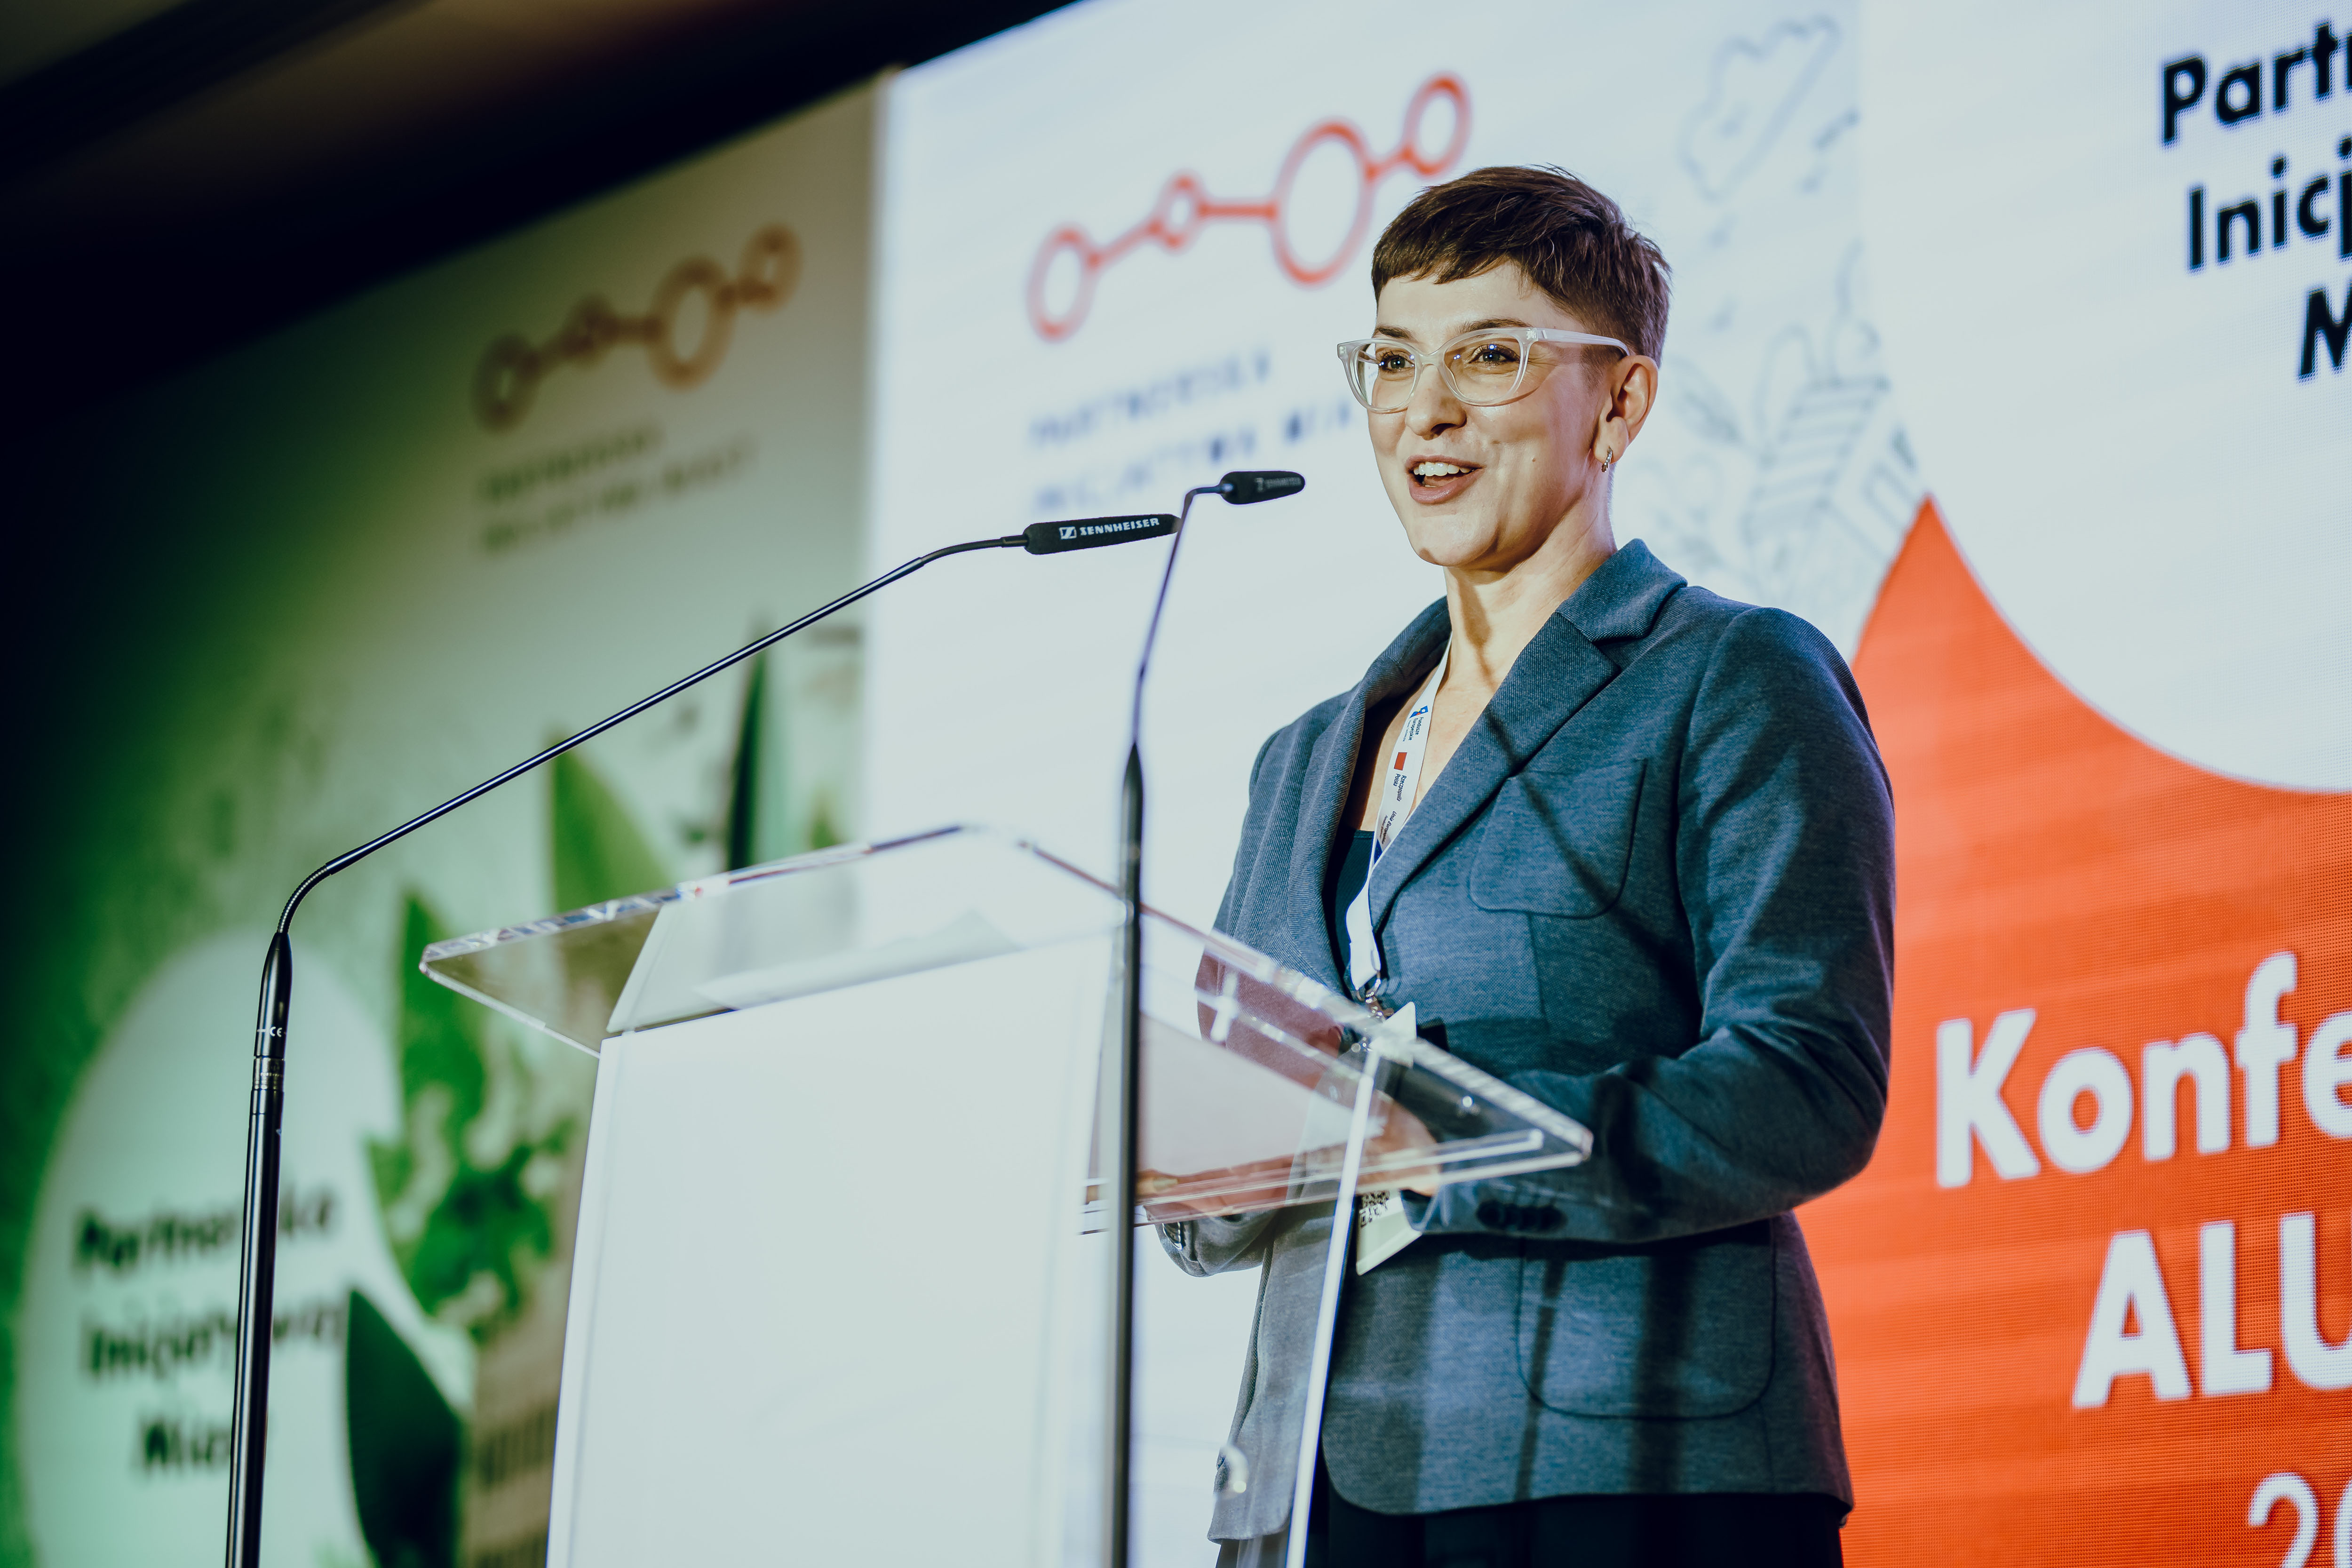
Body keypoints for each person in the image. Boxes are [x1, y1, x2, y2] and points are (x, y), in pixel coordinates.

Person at [1161, 166, 1895, 1568]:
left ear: (1618, 405)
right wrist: (1192, 1156)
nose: (1425, 410)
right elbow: (1232, 1149)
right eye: (1392, 361)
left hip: (1627, 1464)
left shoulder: (1733, 677)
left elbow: (1808, 1084)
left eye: (1488, 356)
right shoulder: (1299, 762)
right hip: (1316, 1488)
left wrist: (1437, 1142)